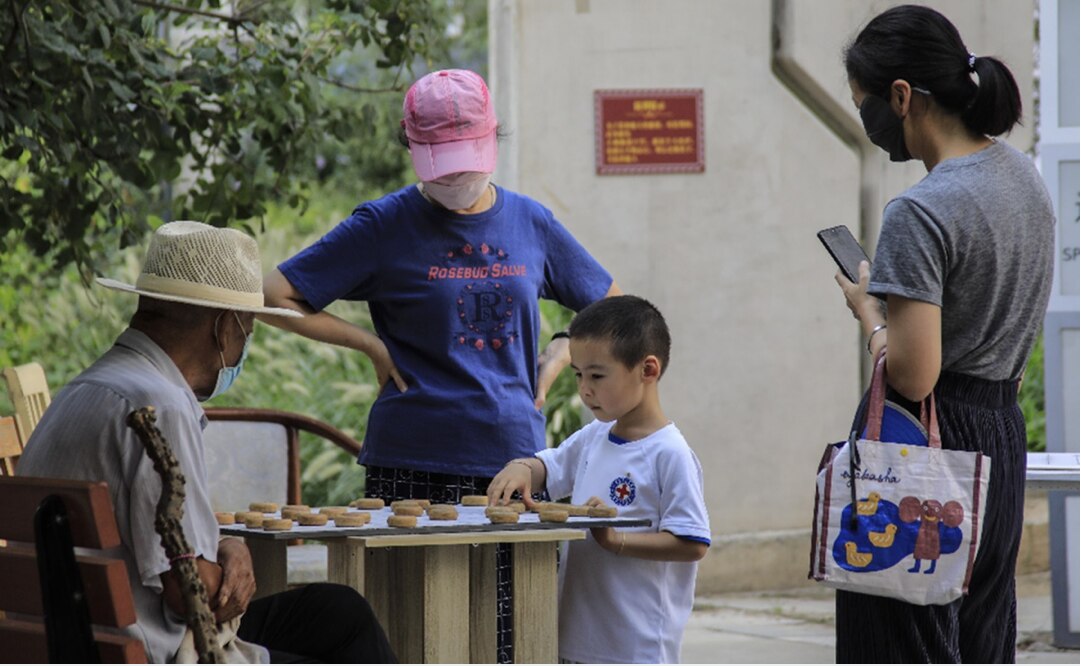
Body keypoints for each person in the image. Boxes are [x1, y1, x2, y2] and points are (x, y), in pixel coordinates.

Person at [261, 68, 619, 661]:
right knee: (409, 638)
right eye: (442, 161)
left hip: (513, 467)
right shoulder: (381, 226)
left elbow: (611, 309)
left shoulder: (531, 223)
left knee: (508, 640)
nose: (456, 175)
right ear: (411, 148)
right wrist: (371, 346)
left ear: (493, 139)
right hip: (409, 466)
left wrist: (560, 352)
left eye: (466, 157)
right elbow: (277, 295)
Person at [17, 221, 396, 664]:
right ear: (223, 329)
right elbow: (189, 593)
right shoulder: (160, 407)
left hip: (79, 636)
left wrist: (228, 546)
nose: (244, 347)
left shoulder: (86, 388)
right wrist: (232, 560)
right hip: (151, 648)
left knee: (338, 613)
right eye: (247, 330)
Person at [833, 5, 1054, 663]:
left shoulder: (919, 211)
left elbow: (911, 374)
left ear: (901, 97)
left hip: (922, 449)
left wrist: (868, 313)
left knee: (901, 645)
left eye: (864, 104)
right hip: (999, 436)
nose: (866, 121)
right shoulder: (1023, 178)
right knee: (982, 638)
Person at [487, 295, 710, 664]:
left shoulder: (670, 453)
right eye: (578, 375)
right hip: (576, 640)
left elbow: (692, 542)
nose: (584, 389)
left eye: (597, 375)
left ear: (648, 370)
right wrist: (523, 468)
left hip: (635, 647)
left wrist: (615, 539)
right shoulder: (595, 436)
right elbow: (551, 467)